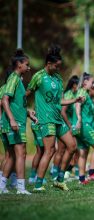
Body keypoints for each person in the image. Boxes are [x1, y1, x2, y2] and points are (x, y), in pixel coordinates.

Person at [26, 45, 82, 191]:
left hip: (58, 118)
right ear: (49, 64)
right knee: (49, 150)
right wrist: (27, 110)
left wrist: (75, 100)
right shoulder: (38, 76)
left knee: (72, 146)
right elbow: (25, 95)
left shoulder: (57, 78)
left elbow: (59, 101)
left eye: (59, 66)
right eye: (56, 66)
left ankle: (60, 179)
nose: (58, 69)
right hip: (46, 118)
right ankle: (38, 185)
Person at [0, 49, 37, 194]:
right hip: (14, 124)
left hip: (15, 122)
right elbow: (4, 100)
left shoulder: (18, 81)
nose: (28, 67)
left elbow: (16, 104)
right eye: (26, 64)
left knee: (11, 155)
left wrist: (28, 113)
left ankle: (2, 187)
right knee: (21, 153)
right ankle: (21, 188)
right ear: (19, 64)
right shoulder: (14, 78)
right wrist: (12, 120)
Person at [74, 73, 94, 184]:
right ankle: (92, 173)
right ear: (85, 82)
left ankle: (81, 179)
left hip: (79, 126)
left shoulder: (84, 93)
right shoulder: (82, 92)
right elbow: (77, 105)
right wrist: (79, 118)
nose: (93, 85)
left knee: (83, 152)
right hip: (84, 125)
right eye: (92, 82)